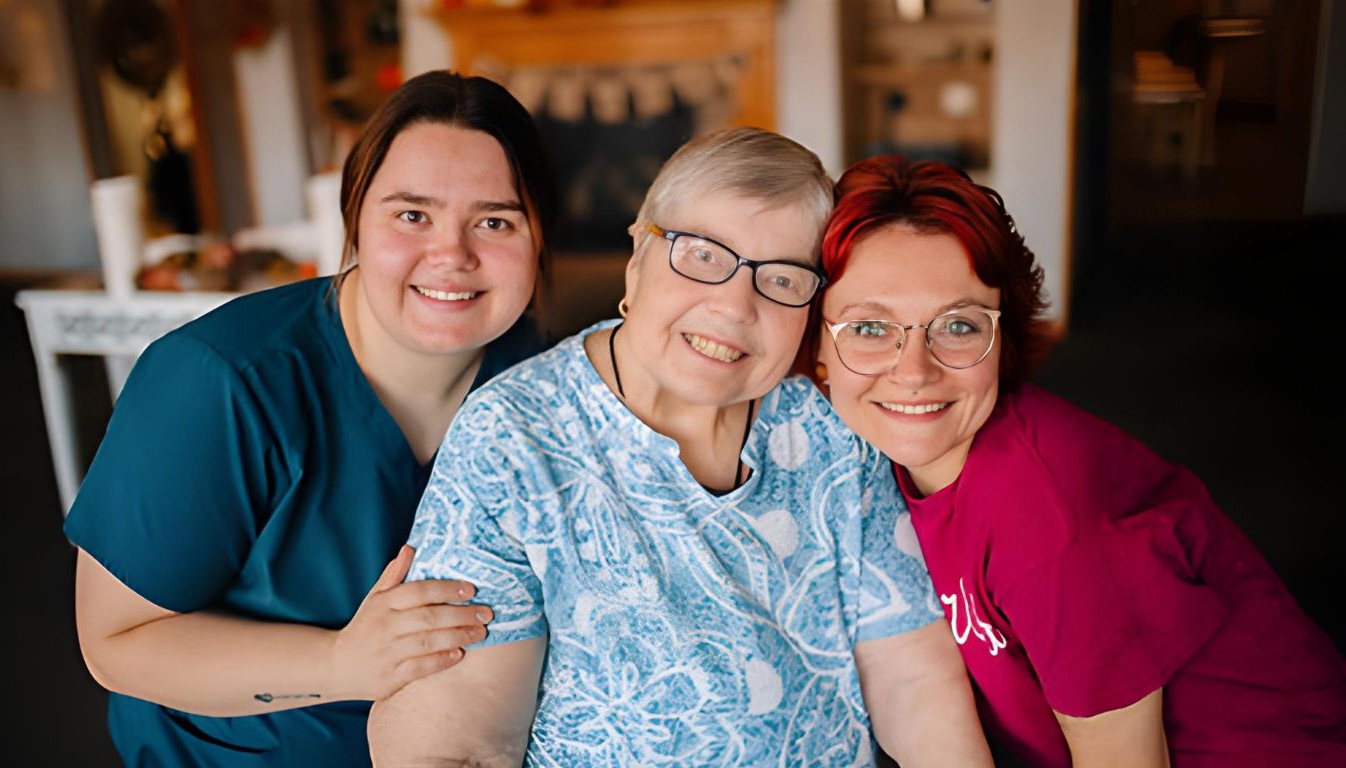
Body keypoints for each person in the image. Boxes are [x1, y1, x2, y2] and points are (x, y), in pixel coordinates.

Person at [368, 128, 993, 766]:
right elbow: (459, 746)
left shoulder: (829, 424)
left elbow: (911, 677)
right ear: (638, 258)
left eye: (781, 278)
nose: (733, 305)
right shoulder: (515, 439)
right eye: (701, 255)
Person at [66, 70, 556, 766]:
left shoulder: (538, 378)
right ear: (355, 219)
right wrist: (338, 663)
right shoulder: (217, 382)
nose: (452, 255)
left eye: (495, 220)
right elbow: (116, 644)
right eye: (411, 214)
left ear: (539, 238)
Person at [808, 154, 1346, 767]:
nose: (914, 372)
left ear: (1003, 338)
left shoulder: (1049, 528)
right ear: (818, 345)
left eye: (957, 325)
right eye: (870, 329)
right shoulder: (890, 465)